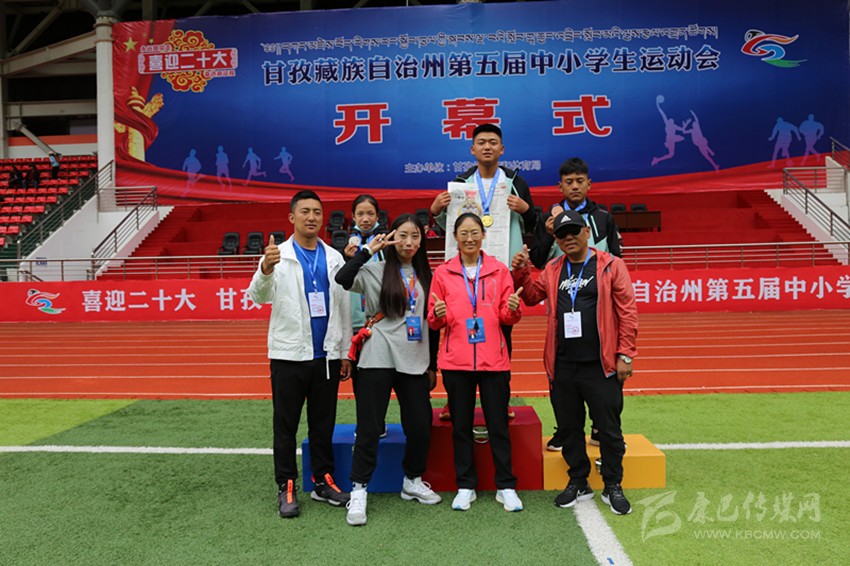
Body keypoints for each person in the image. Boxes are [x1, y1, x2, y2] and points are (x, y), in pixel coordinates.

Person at [512, 209, 638, 515]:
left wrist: (625, 354)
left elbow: (627, 311)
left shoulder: (611, 265)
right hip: (563, 365)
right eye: (562, 235)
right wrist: (522, 271)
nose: (568, 238)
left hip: (601, 365)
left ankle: (613, 483)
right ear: (557, 240)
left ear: (586, 232)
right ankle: (578, 480)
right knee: (569, 428)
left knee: (608, 429)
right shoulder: (554, 268)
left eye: (573, 232)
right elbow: (532, 296)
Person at [247, 189, 353, 519]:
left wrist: (344, 351)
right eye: (305, 211)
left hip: (326, 357)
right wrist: (265, 269)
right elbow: (257, 296)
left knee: (323, 424)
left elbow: (343, 306)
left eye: (317, 212)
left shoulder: (334, 258)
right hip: (289, 356)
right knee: (286, 425)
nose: (312, 217)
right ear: (292, 217)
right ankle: (287, 485)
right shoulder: (277, 256)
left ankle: (322, 480)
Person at [335, 214, 441, 526]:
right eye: (402, 235)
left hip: (415, 359)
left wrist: (432, 364)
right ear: (391, 237)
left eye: (415, 236)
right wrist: (369, 249)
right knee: (369, 427)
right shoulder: (375, 270)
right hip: (377, 356)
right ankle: (359, 489)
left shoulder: (429, 276)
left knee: (420, 425)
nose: (408, 243)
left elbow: (433, 325)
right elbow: (342, 278)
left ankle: (412, 480)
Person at [430, 123, 537, 419]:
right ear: (472, 149)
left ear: (502, 149)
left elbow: (534, 225)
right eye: (481, 142)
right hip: (463, 274)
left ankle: (501, 401)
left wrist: (526, 210)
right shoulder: (460, 183)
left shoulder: (516, 183)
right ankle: (454, 402)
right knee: (455, 332)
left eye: (492, 142)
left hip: (501, 274)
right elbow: (449, 227)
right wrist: (435, 209)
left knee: (503, 335)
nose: (487, 146)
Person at [427, 213, 525, 513]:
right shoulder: (442, 273)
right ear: (455, 237)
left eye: (474, 232)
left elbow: (507, 317)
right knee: (461, 427)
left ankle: (505, 486)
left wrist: (513, 309)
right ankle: (465, 485)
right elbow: (433, 320)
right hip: (456, 362)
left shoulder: (499, 271)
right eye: (463, 233)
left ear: (483, 235)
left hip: (493, 361)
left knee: (498, 426)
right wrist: (438, 315)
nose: (469, 238)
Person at [530, 157, 622, 452]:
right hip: (564, 303)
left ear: (589, 184)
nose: (574, 186)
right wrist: (548, 234)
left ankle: (601, 426)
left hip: (598, 302)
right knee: (564, 373)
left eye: (579, 181)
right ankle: (565, 430)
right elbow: (537, 259)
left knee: (603, 368)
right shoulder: (549, 217)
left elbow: (617, 257)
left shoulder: (604, 217)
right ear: (560, 186)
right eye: (568, 182)